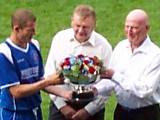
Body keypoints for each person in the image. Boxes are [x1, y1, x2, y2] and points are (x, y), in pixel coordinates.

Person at [0, 9, 71, 120]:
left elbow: (38, 80)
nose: (34, 33)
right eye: (30, 30)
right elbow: (16, 92)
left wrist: (65, 94)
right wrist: (47, 81)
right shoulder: (5, 52)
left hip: (35, 111)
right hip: (15, 114)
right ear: (17, 29)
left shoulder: (34, 45)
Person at [45, 4, 112, 120]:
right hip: (60, 106)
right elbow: (49, 75)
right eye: (77, 25)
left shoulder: (103, 46)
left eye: (85, 27)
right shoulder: (60, 39)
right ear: (72, 22)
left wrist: (88, 110)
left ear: (94, 25)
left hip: (92, 109)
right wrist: (62, 107)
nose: (80, 31)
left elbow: (107, 83)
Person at [94, 9, 160, 120]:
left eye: (134, 28)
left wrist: (114, 75)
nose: (129, 31)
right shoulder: (121, 47)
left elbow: (145, 90)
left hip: (145, 114)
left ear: (147, 28)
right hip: (121, 112)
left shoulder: (156, 55)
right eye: (127, 26)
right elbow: (110, 80)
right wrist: (94, 90)